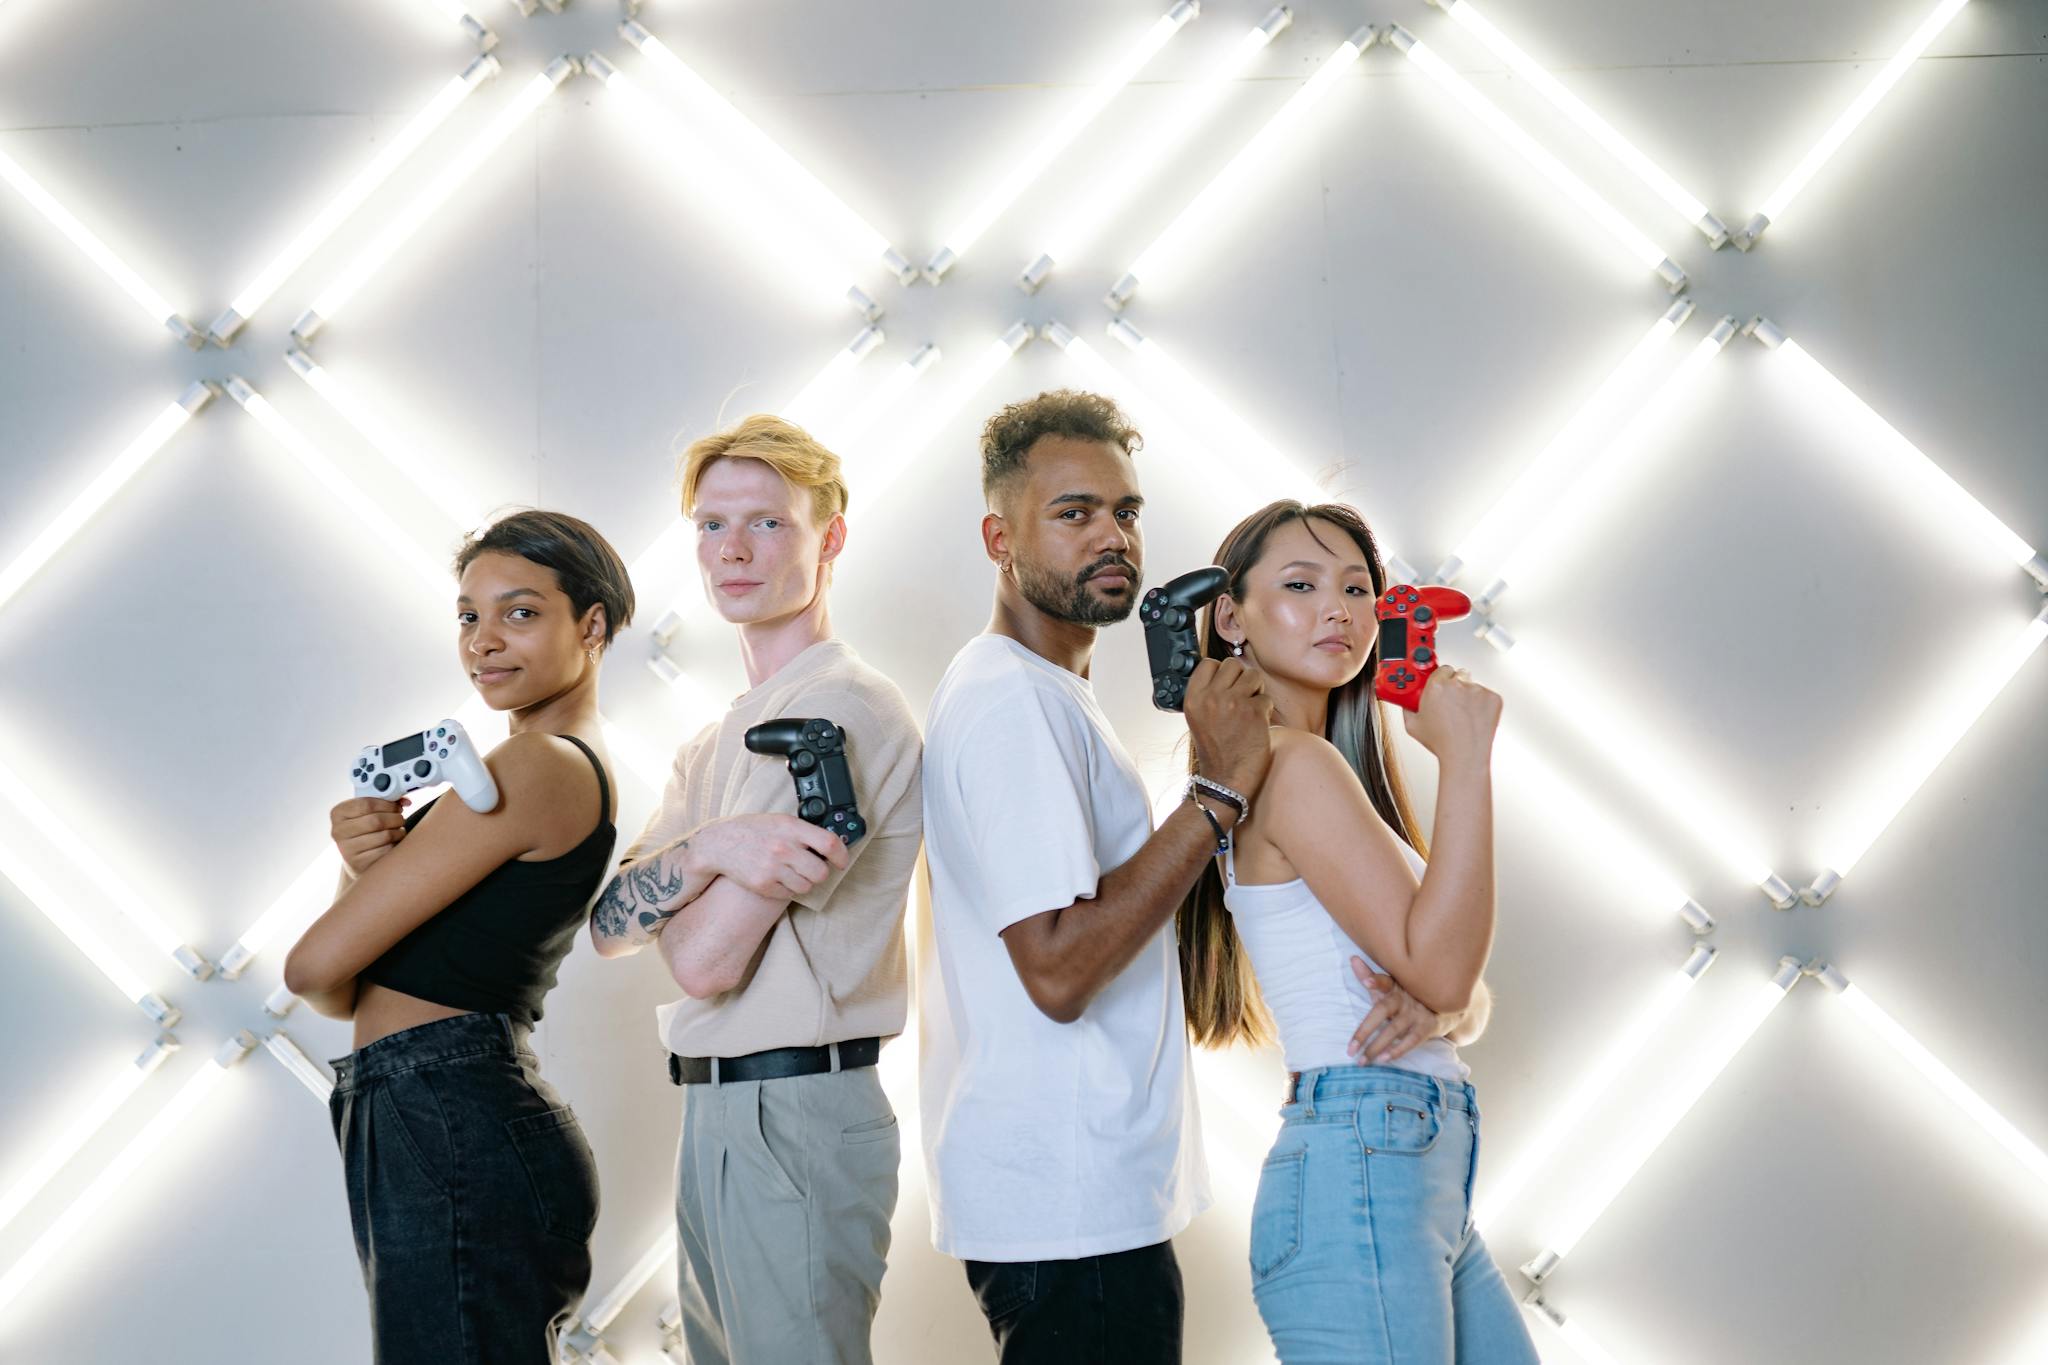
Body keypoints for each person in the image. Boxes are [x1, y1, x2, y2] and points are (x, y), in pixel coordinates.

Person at [918, 391, 1456, 1364]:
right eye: (1073, 513)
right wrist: (1217, 790)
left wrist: (1443, 997)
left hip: (1092, 1196)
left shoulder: (1054, 698)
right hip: (1067, 1204)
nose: (1111, 536)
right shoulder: (1009, 703)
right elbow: (1057, 969)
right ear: (1000, 538)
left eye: (1125, 510)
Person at [587, 414, 923, 1365]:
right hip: (722, 1112)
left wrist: (680, 878)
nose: (732, 549)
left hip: (797, 1112)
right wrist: (714, 848)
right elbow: (609, 923)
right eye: (711, 524)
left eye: (768, 522)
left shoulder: (838, 710)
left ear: (831, 536)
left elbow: (701, 961)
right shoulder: (720, 737)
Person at [1176, 498, 1537, 1364]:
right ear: (1231, 618)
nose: (1338, 609)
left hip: (1409, 1167)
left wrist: (1442, 1006)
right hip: (1367, 1158)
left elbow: (1461, 993)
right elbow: (1445, 974)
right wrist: (1466, 759)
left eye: (1355, 588)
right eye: (1300, 586)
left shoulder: (1320, 768)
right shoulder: (1291, 763)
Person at [285, 509, 634, 1364]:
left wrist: (363, 887)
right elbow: (340, 996)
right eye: (469, 615)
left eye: (521, 612)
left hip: (450, 1112)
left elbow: (312, 965)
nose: (484, 640)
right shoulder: (513, 770)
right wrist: (363, 863)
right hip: (432, 1110)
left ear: (591, 626)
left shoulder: (537, 764)